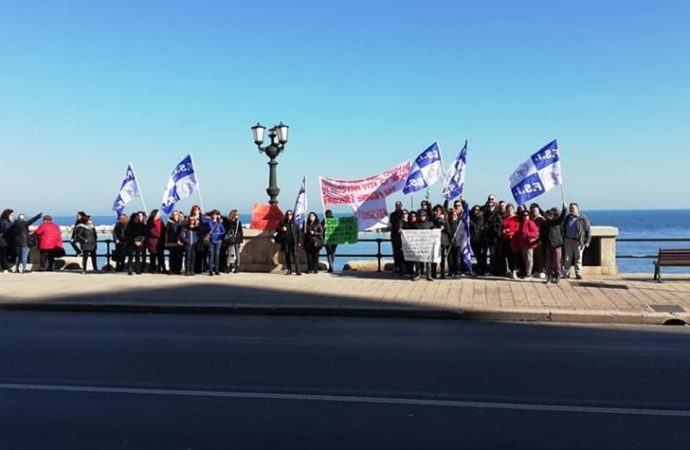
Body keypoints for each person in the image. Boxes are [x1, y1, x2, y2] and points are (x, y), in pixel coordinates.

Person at [563, 202, 592, 280]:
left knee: (578, 258)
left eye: (573, 208)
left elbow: (588, 231)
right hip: (568, 240)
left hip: (578, 241)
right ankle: (566, 273)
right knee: (567, 257)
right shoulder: (567, 217)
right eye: (570, 208)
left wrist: (587, 241)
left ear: (577, 209)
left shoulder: (583, 218)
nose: (571, 209)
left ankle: (578, 274)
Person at [541, 205, 567, 284]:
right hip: (548, 245)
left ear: (552, 216)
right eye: (547, 215)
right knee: (548, 262)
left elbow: (562, 217)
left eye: (549, 215)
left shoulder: (556, 222)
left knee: (557, 261)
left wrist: (564, 209)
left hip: (557, 245)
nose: (548, 217)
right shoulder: (544, 224)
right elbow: (542, 234)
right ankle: (549, 276)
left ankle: (557, 275)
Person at [513, 205, 540, 279]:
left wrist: (527, 234)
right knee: (525, 260)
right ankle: (526, 273)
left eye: (527, 215)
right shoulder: (521, 224)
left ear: (529, 216)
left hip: (529, 245)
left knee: (529, 260)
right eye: (524, 215)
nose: (525, 216)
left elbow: (535, 232)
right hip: (522, 245)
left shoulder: (530, 223)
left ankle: (529, 274)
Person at [481, 195, 503, 276]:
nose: (491, 201)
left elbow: (500, 223)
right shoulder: (484, 209)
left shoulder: (498, 210)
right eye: (489, 199)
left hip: (493, 237)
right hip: (485, 236)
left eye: (492, 199)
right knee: (483, 254)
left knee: (493, 255)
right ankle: (484, 270)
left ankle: (492, 271)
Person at [276, 210, 301, 275]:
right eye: (288, 214)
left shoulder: (295, 223)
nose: (289, 215)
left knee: (295, 255)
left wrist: (299, 241)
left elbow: (298, 233)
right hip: (286, 241)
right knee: (287, 256)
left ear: (292, 215)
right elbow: (277, 229)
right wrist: (282, 229)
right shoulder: (282, 222)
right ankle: (289, 270)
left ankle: (298, 270)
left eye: (290, 214)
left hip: (293, 241)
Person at [202, 209, 225, 276]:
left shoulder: (220, 223)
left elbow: (223, 231)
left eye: (216, 214)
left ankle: (216, 269)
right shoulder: (209, 221)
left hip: (218, 241)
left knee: (217, 255)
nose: (215, 215)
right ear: (211, 215)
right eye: (213, 214)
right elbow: (202, 221)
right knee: (211, 255)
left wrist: (218, 234)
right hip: (211, 240)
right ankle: (210, 270)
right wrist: (203, 214)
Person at [500, 204, 520, 279]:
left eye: (511, 209)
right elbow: (502, 227)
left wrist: (509, 230)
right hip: (506, 239)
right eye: (508, 209)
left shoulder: (516, 218)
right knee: (508, 256)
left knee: (514, 256)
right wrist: (503, 231)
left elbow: (517, 228)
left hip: (514, 239)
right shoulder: (504, 218)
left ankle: (514, 271)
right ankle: (511, 271)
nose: (510, 210)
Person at [223, 209, 244, 274]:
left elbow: (241, 231)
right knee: (229, 253)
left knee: (237, 254)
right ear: (233, 215)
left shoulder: (238, 222)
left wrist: (240, 240)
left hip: (236, 239)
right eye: (237, 214)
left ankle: (237, 267)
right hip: (230, 239)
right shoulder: (228, 222)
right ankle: (228, 267)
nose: (238, 215)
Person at [165, 211, 186, 275]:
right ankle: (172, 269)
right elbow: (166, 233)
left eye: (176, 214)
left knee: (179, 257)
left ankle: (178, 270)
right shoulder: (169, 222)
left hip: (180, 243)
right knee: (172, 257)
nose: (175, 215)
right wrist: (166, 241)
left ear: (178, 215)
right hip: (172, 242)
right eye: (173, 214)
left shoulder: (182, 223)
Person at [146, 209, 166, 274]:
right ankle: (153, 269)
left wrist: (164, 236)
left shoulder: (161, 221)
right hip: (153, 241)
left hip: (160, 242)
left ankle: (162, 268)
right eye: (158, 213)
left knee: (161, 256)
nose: (159, 214)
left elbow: (164, 229)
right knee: (153, 256)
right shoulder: (150, 222)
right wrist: (159, 235)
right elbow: (151, 231)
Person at [529, 203, 546, 278]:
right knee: (534, 256)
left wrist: (536, 239)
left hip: (539, 241)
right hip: (532, 241)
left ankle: (541, 271)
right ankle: (536, 271)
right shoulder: (532, 218)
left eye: (535, 210)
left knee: (539, 256)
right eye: (533, 211)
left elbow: (540, 231)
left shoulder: (541, 219)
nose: (534, 212)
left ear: (538, 210)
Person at [403, 211, 421, 281]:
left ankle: (418, 273)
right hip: (409, 246)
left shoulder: (418, 224)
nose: (413, 217)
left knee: (417, 260)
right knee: (410, 261)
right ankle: (411, 273)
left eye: (414, 216)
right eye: (411, 216)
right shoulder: (406, 225)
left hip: (417, 246)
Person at [389, 201, 405, 275]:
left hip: (403, 236)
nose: (398, 206)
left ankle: (403, 267)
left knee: (403, 252)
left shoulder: (404, 214)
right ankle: (396, 267)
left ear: (401, 205)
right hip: (395, 235)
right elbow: (393, 223)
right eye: (396, 205)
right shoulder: (392, 215)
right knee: (396, 252)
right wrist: (398, 228)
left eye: (399, 205)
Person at [469, 205, 486, 275]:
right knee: (477, 255)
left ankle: (482, 270)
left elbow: (477, 227)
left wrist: (469, 221)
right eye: (475, 209)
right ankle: (480, 269)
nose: (477, 211)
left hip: (480, 240)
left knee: (480, 255)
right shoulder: (472, 217)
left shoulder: (481, 217)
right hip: (473, 239)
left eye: (478, 210)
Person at [446, 208, 461, 278]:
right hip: (449, 242)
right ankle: (450, 271)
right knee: (450, 258)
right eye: (452, 214)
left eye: (455, 214)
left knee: (456, 258)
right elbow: (448, 230)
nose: (454, 216)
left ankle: (456, 271)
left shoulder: (459, 222)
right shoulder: (448, 222)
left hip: (457, 243)